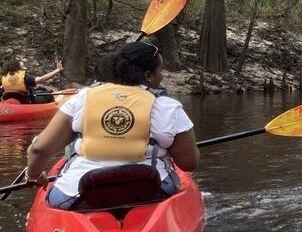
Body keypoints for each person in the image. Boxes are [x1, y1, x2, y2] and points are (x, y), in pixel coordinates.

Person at [25, 41, 198, 210]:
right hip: (151, 194)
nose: (163, 75)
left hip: (77, 197)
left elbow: (38, 149)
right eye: (161, 70)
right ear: (148, 76)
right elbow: (188, 163)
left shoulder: (82, 98)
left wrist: (33, 175)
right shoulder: (168, 107)